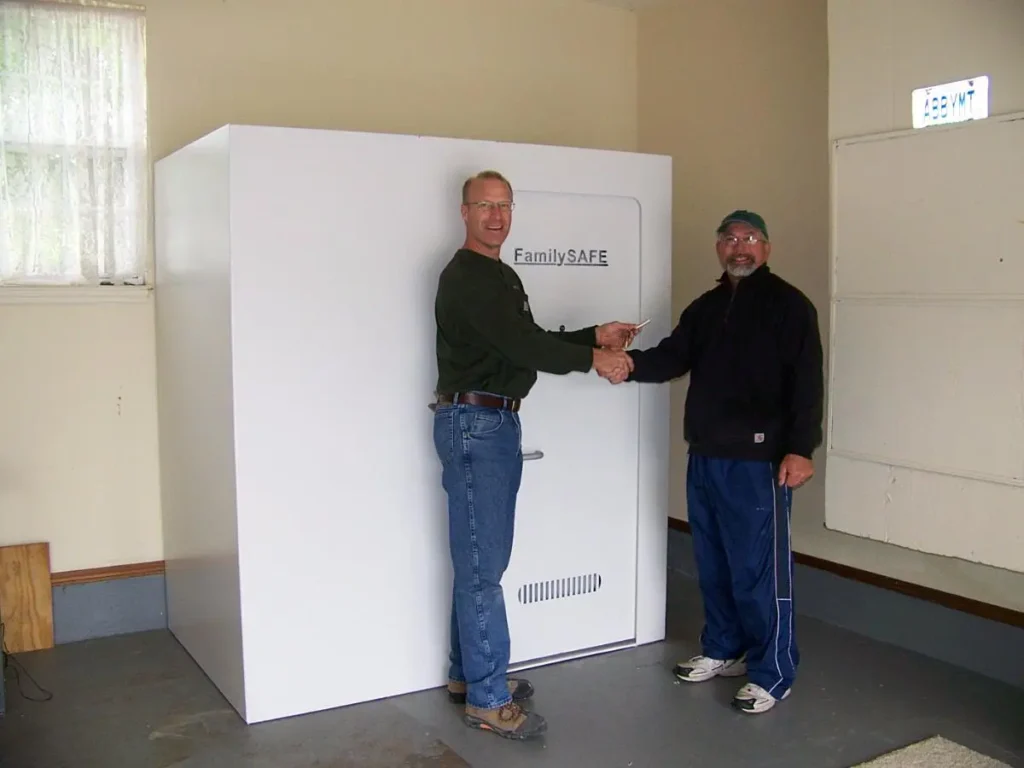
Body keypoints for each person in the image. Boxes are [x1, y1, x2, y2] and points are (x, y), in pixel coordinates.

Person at [431, 170, 638, 740]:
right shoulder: (469, 277)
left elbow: (528, 336)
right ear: (465, 212)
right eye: (485, 206)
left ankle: (467, 676)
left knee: (478, 561)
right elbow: (523, 345)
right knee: (483, 567)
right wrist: (595, 359)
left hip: (487, 421)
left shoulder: (497, 276)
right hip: (477, 423)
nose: (497, 216)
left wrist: (596, 334)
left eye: (505, 206)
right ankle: (488, 699)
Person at [611, 210, 824, 715]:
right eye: (730, 239)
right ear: (719, 248)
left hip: (760, 460)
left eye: (750, 238)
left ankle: (773, 671)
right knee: (713, 560)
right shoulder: (706, 308)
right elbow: (672, 356)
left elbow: (808, 383)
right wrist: (628, 364)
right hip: (706, 453)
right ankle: (724, 647)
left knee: (757, 569)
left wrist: (800, 448)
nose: (740, 247)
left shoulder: (790, 306)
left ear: (766, 248)